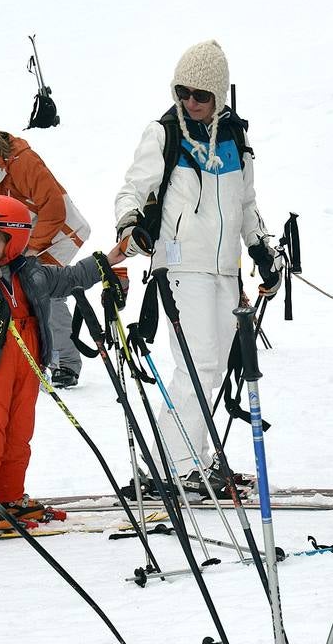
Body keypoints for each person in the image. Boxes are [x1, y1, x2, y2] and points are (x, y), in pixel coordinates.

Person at [115, 40, 283, 492]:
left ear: (218, 97)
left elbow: (246, 204)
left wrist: (262, 249)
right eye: (183, 92)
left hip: (225, 270)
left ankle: (195, 459)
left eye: (201, 95)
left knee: (212, 367)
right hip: (179, 265)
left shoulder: (236, 137)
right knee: (196, 363)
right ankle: (175, 465)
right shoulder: (164, 133)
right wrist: (132, 226)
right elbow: (132, 191)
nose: (190, 102)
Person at [0, 195, 124, 534]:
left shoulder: (32, 273)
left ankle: (7, 497)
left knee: (19, 434)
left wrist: (109, 258)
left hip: (28, 360)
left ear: (14, 242)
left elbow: (70, 277)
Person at [0, 110, 91, 388]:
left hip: (58, 232)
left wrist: (29, 250)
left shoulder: (23, 161)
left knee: (43, 290)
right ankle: (24, 353)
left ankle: (65, 364)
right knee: (17, 292)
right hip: (15, 240)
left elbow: (53, 208)